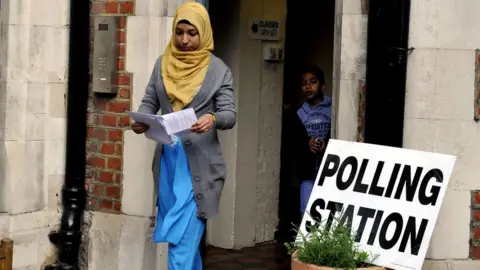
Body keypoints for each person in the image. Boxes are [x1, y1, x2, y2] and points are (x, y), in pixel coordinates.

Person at [130, 2, 236, 269]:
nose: (185, 39)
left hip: (200, 165)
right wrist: (141, 121)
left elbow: (229, 114)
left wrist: (212, 118)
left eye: (192, 33)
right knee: (185, 247)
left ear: (204, 33)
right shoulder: (161, 64)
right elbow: (149, 102)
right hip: (169, 163)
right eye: (180, 32)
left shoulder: (218, 70)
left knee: (181, 243)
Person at [294, 66, 332, 217]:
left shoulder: (333, 108)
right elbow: (294, 142)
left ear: (323, 85)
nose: (308, 87)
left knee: (328, 213)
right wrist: (306, 143)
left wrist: (326, 144)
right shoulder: (300, 113)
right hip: (308, 172)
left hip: (330, 170)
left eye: (313, 82)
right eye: (304, 83)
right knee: (307, 213)